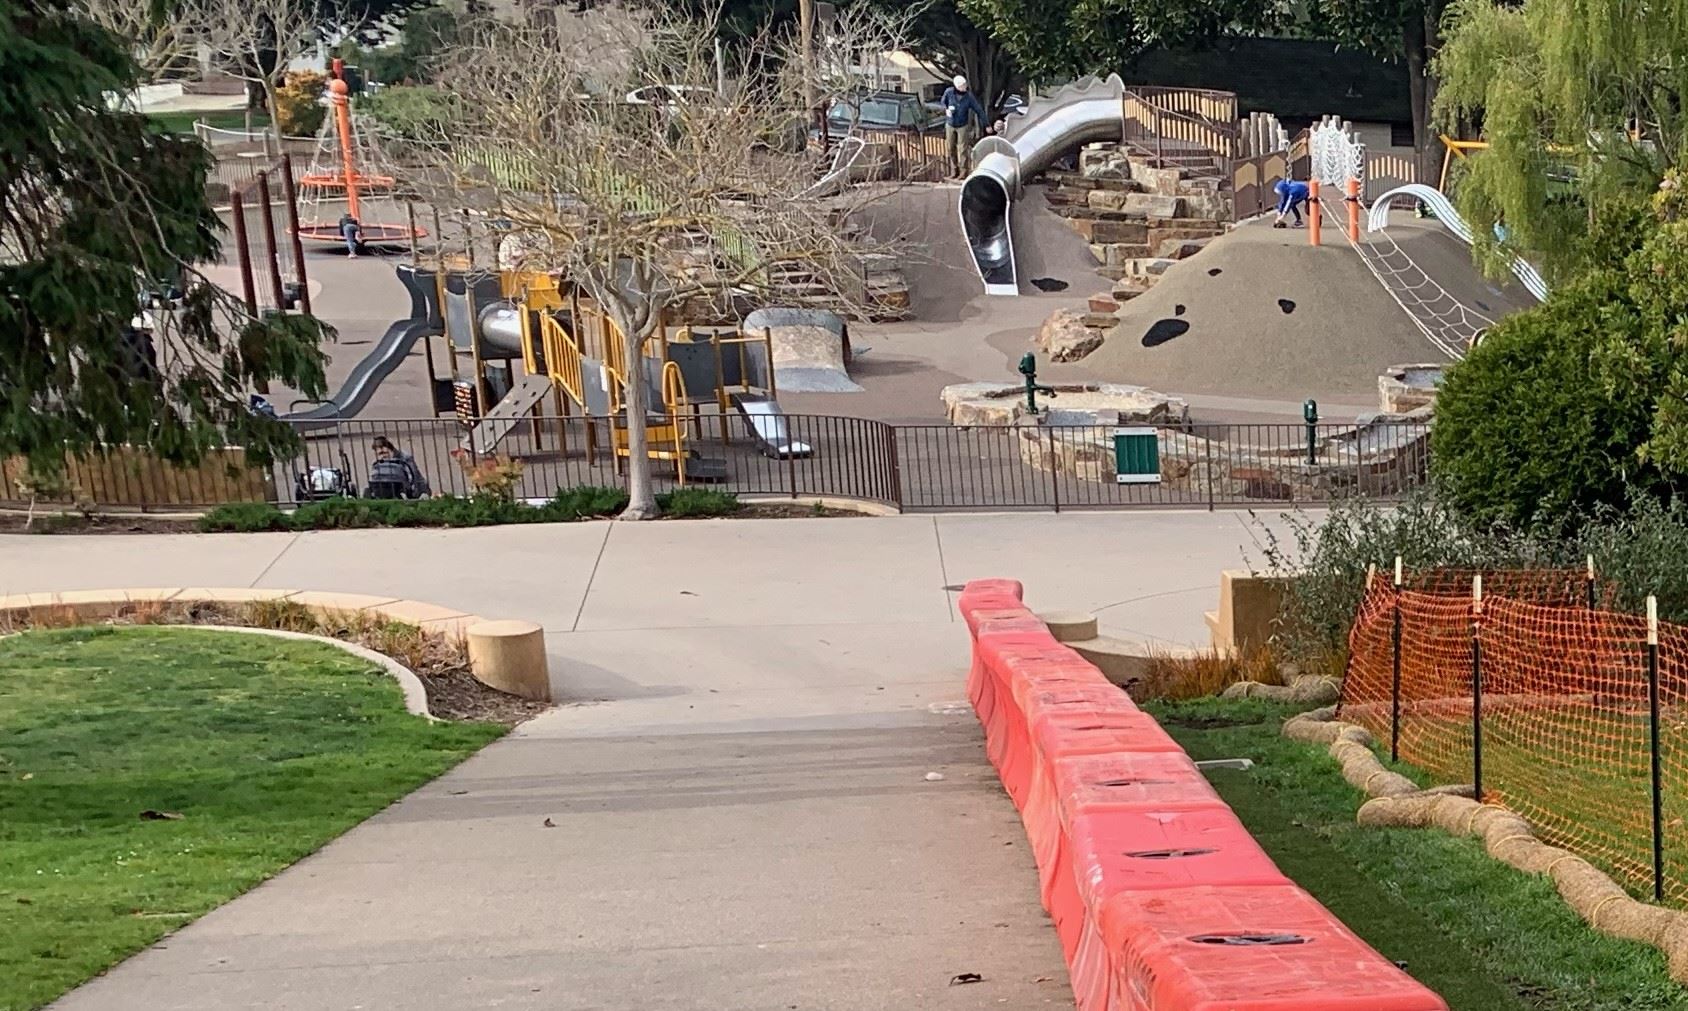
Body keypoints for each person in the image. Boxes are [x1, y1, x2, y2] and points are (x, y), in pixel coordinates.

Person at [941, 75, 987, 180]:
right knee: (950, 148)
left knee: (962, 149)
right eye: (962, 86)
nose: (964, 87)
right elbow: (943, 102)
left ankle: (963, 171)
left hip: (962, 125)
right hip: (950, 124)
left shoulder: (968, 97)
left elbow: (978, 109)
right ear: (956, 86)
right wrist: (946, 109)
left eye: (965, 85)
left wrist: (986, 124)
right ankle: (954, 170)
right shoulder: (949, 92)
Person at [368, 435, 429, 499]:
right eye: (380, 454)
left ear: (391, 449)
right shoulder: (378, 463)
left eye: (385, 453)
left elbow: (415, 476)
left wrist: (423, 492)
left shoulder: (404, 458)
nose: (383, 456)